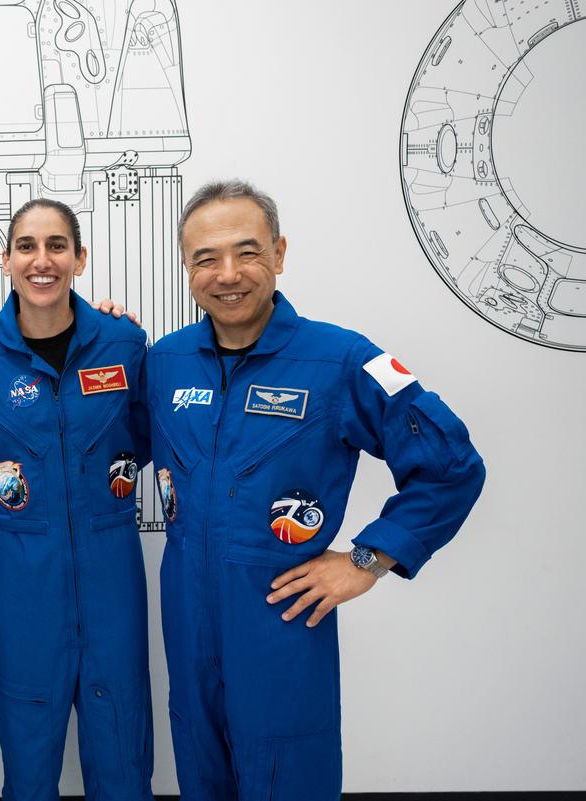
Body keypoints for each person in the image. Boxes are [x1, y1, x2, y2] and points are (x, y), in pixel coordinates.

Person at [146, 180, 485, 799]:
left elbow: (452, 466)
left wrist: (368, 559)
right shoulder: (164, 362)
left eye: (247, 253)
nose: (228, 275)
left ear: (279, 252)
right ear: (187, 267)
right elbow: (102, 439)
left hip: (280, 622)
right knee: (200, 773)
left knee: (287, 778)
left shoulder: (342, 360)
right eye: (206, 258)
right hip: (187, 618)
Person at [0, 199, 154, 799]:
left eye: (57, 246)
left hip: (111, 562)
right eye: (26, 246)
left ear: (79, 258)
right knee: (28, 745)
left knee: (122, 740)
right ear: (6, 259)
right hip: (22, 570)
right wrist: (2, 479)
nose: (41, 261)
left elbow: (145, 436)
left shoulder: (124, 341)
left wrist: (81, 479)